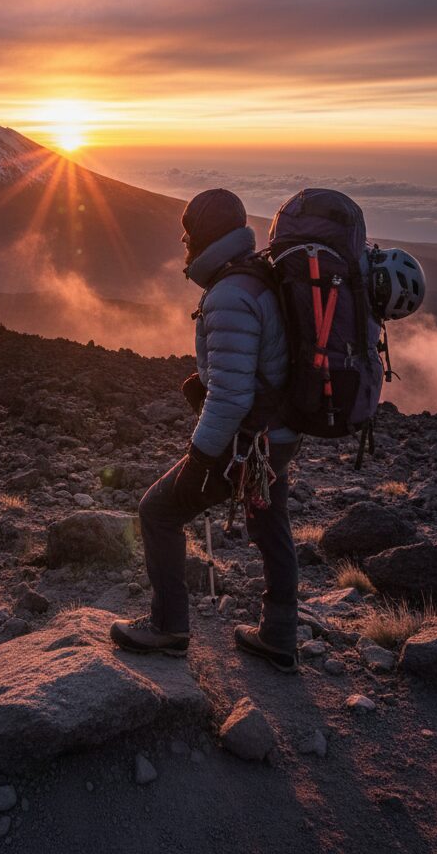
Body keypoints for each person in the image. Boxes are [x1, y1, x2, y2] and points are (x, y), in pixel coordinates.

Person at [110, 188, 303, 672]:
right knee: (269, 522)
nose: (184, 244)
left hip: (248, 444)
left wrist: (200, 459)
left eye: (188, 236)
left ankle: (167, 628)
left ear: (203, 238)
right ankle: (279, 636)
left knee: (158, 510)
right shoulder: (256, 276)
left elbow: (232, 398)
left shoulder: (229, 295)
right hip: (276, 436)